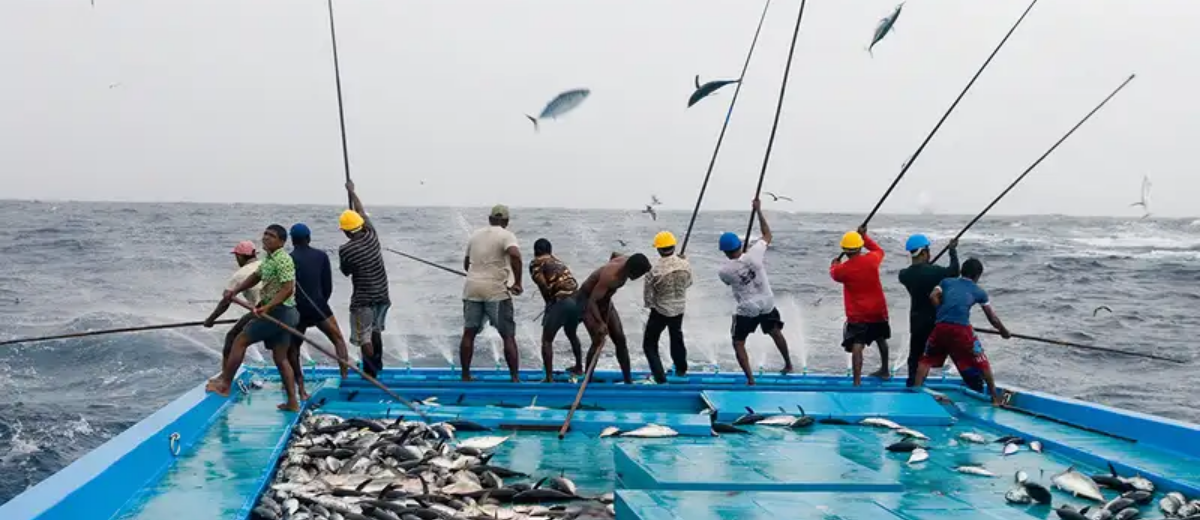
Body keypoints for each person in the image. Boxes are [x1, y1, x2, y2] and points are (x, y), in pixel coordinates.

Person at [206, 224, 302, 412]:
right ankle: (292, 402)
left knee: (240, 341)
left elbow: (287, 288)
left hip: (279, 312)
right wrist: (236, 291)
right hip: (281, 312)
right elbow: (255, 277)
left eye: (272, 236)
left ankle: (225, 385)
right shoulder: (268, 259)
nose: (266, 238)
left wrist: (266, 307)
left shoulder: (283, 260)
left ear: (282, 242)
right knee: (281, 358)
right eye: (265, 234)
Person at [912, 258, 1011, 405]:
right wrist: (1004, 331)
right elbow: (993, 319)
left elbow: (933, 295)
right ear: (977, 276)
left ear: (961, 271)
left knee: (925, 360)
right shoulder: (979, 292)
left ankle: (916, 391)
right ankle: (995, 397)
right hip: (962, 329)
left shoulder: (946, 282)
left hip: (940, 327)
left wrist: (941, 312)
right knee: (981, 361)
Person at [717, 200, 794, 385]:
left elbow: (730, 281)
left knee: (738, 342)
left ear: (725, 252)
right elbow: (767, 234)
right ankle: (788, 364)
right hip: (767, 301)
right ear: (740, 244)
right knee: (775, 331)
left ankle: (750, 380)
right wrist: (758, 211)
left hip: (748, 307)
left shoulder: (724, 271)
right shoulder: (755, 253)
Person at [461, 204, 523, 382]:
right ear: (506, 221)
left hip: (472, 288)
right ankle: (514, 378)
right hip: (496, 292)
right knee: (508, 335)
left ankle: (465, 375)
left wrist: (477, 273)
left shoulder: (475, 235)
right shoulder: (507, 235)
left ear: (489, 219)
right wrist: (518, 282)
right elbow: (516, 255)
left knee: (469, 333)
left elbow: (466, 264)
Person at [289, 223, 350, 398]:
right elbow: (327, 286)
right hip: (319, 306)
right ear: (309, 238)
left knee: (293, 348)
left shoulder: (289, 258)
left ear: (292, 240)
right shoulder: (321, 256)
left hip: (297, 308)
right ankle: (344, 375)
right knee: (338, 339)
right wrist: (321, 304)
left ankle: (300, 385)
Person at [338, 181, 390, 379]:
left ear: (345, 231)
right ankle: (377, 365)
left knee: (364, 337)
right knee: (376, 331)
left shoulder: (346, 250)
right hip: (383, 295)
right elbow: (360, 210)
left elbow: (346, 272)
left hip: (363, 300)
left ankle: (372, 371)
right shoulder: (371, 234)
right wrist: (352, 192)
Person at [577, 253, 652, 385]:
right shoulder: (611, 277)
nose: (638, 278)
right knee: (598, 339)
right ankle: (587, 379)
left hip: (605, 301)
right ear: (631, 270)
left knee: (620, 339)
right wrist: (600, 323)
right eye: (638, 275)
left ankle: (628, 381)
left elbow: (614, 254)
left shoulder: (626, 260)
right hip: (587, 302)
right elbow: (592, 301)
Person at [830, 226, 890, 387]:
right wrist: (865, 237)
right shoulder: (872, 260)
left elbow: (834, 273)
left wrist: (834, 264)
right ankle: (885, 370)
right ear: (859, 246)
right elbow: (878, 250)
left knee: (858, 345)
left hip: (858, 315)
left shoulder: (843, 270)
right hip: (878, 310)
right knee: (880, 339)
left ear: (845, 250)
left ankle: (857, 382)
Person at [898, 234, 959, 387]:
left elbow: (917, 272)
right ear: (924, 253)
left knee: (915, 355)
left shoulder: (904, 275)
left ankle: (913, 382)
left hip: (916, 320)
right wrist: (952, 251)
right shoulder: (935, 272)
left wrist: (927, 267)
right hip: (934, 320)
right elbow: (954, 271)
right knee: (936, 354)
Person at [529, 238, 583, 381]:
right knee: (571, 333)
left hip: (561, 302)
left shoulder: (536, 263)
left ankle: (549, 377)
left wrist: (549, 304)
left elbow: (543, 286)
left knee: (547, 340)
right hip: (577, 301)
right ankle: (579, 367)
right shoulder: (558, 262)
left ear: (535, 252)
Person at [642, 231, 692, 383]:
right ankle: (681, 370)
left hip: (661, 310)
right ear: (674, 246)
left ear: (658, 249)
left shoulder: (654, 271)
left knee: (649, 344)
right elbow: (689, 283)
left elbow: (648, 299)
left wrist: (654, 305)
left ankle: (660, 378)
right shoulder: (685, 264)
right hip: (679, 308)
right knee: (676, 337)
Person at [203, 241, 262, 367]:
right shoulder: (265, 265)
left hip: (261, 312)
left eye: (236, 256)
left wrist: (210, 320)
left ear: (240, 256)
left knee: (232, 336)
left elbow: (225, 302)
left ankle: (225, 375)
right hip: (279, 307)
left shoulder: (239, 275)